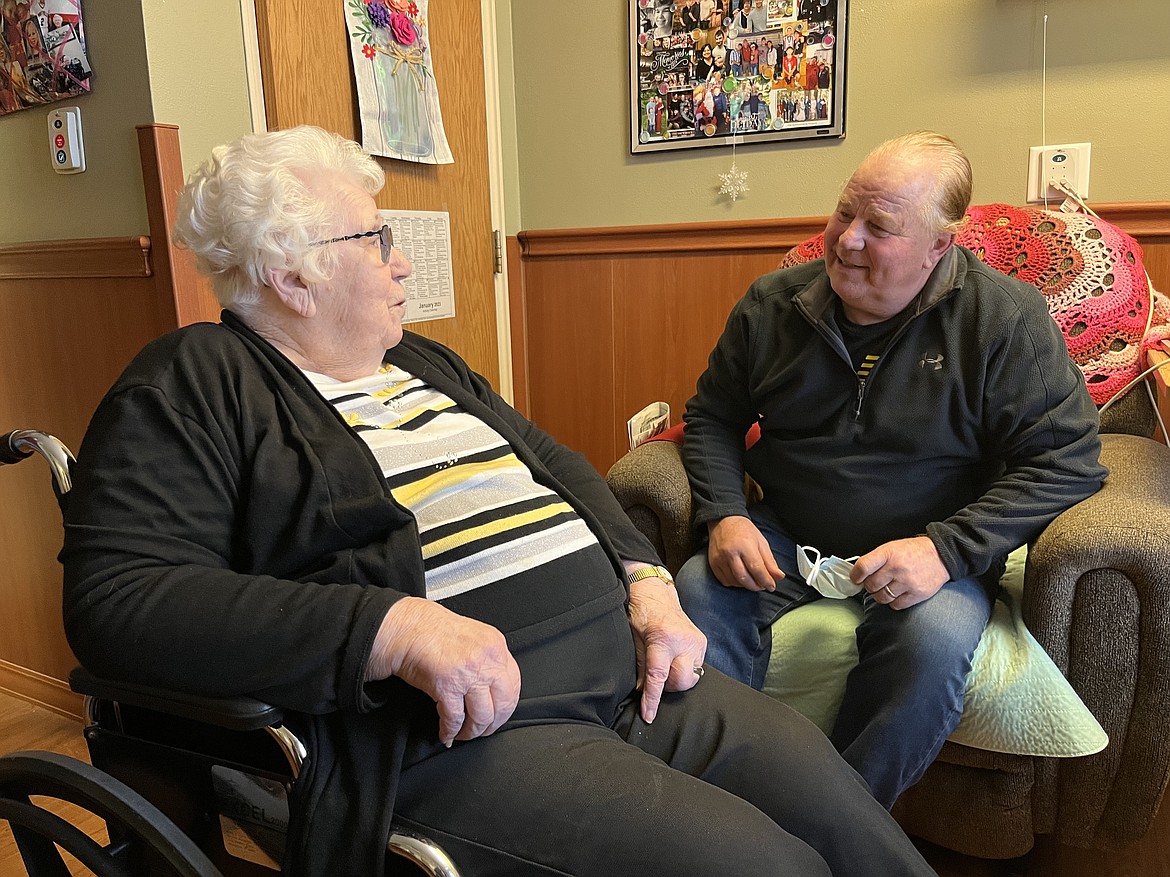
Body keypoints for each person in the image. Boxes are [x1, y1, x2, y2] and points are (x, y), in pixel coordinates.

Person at [60, 126, 938, 877]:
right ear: (294, 277)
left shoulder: (421, 362)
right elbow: (119, 602)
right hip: (471, 734)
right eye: (376, 239)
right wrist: (394, 629)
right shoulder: (192, 382)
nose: (402, 260)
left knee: (858, 831)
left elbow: (557, 462)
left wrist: (645, 578)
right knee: (767, 868)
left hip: (631, 673)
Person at [674, 131, 1107, 809]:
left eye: (879, 228)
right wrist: (725, 512)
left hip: (932, 546)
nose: (846, 241)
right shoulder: (771, 305)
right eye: (845, 213)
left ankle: (836, 830)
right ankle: (720, 818)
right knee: (699, 590)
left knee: (931, 643)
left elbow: (1069, 461)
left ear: (941, 244)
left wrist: (946, 549)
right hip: (787, 531)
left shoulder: (1005, 321)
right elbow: (712, 416)